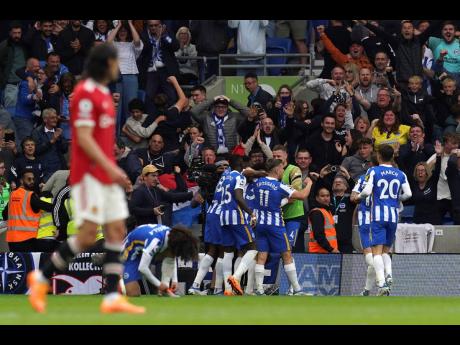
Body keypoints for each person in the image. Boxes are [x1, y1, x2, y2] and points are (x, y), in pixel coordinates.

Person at [27, 43, 145, 314]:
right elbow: (83, 138)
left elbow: (103, 143)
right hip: (88, 176)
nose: (118, 67)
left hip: (105, 174)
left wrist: (114, 171)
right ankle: (41, 278)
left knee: (117, 231)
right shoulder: (83, 94)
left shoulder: (105, 94)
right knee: (88, 235)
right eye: (114, 62)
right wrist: (113, 169)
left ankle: (113, 296)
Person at [251, 158, 313, 295]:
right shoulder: (280, 186)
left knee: (262, 256)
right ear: (277, 169)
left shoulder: (258, 182)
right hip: (275, 225)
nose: (283, 171)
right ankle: (297, 289)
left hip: (260, 224)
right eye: (282, 168)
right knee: (287, 254)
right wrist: (309, 184)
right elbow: (302, 195)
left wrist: (284, 200)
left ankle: (259, 289)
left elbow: (271, 201)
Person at [358, 144, 412, 296]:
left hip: (378, 216)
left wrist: (360, 196)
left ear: (379, 156)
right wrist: (395, 199)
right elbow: (408, 194)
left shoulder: (373, 171)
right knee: (386, 252)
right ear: (392, 156)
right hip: (393, 216)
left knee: (376, 251)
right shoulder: (400, 173)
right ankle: (389, 275)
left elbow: (367, 191)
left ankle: (381, 283)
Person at [122, 223, 199, 297]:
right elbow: (143, 268)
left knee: (168, 255)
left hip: (144, 249)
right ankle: (117, 284)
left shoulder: (173, 236)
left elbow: (171, 258)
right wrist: (159, 285)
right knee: (134, 294)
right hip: (130, 253)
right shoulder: (155, 241)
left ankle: (165, 286)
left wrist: (174, 280)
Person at [188, 161, 229, 295]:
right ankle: (216, 287)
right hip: (221, 218)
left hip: (210, 218)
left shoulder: (205, 184)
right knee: (221, 252)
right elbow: (194, 203)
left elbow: (194, 202)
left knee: (212, 251)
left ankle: (197, 285)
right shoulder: (223, 182)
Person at [219, 155, 257, 295]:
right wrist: (251, 213)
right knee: (253, 248)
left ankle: (228, 290)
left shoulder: (225, 177)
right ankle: (235, 277)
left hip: (223, 217)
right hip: (236, 216)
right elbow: (239, 197)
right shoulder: (240, 177)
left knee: (228, 253)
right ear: (241, 164)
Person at [107, 20, 143, 135]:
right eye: (121, 31)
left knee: (131, 107)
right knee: (116, 109)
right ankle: (115, 138)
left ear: (128, 33)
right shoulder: (114, 44)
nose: (122, 32)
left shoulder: (132, 45)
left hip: (131, 77)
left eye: (124, 31)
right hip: (116, 78)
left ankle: (130, 137)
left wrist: (130, 23)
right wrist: (119, 25)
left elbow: (137, 40)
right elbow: (108, 42)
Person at [350, 153, 379, 296]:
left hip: (366, 219)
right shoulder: (385, 179)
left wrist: (359, 197)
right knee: (378, 254)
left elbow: (352, 197)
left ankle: (379, 282)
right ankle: (369, 289)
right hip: (381, 219)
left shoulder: (362, 180)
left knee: (369, 254)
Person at [129, 164, 194, 227]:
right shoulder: (139, 191)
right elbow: (132, 209)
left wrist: (191, 195)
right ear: (145, 177)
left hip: (156, 228)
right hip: (145, 230)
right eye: (153, 176)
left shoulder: (156, 190)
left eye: (157, 176)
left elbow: (172, 197)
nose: (156, 178)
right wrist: (152, 211)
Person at [5, 169, 53, 252]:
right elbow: (47, 207)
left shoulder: (12, 194)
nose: (32, 181)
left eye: (33, 179)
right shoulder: (30, 195)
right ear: (21, 181)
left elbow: (4, 214)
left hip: (11, 240)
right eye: (29, 179)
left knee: (18, 264)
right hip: (27, 239)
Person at [138, 20, 180, 115]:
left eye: (156, 25)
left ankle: (170, 118)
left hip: (166, 71)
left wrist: (164, 36)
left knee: (172, 96)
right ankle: (151, 118)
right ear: (148, 26)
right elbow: (142, 50)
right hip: (150, 71)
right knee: (148, 96)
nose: (153, 27)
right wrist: (155, 38)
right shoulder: (144, 35)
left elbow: (175, 46)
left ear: (160, 25)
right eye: (151, 26)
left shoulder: (167, 32)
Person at [31, 108, 68, 182]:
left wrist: (59, 139)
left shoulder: (58, 131)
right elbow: (36, 150)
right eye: (52, 118)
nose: (55, 120)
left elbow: (65, 149)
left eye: (56, 117)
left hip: (60, 169)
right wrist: (51, 141)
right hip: (45, 171)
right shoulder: (36, 132)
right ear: (45, 119)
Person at [409, 142, 442, 224]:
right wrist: (413, 152)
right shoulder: (414, 184)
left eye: (423, 170)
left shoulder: (432, 182)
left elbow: (437, 170)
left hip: (433, 220)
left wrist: (438, 155)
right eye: (418, 171)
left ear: (427, 172)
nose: (420, 173)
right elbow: (409, 166)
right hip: (418, 221)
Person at [0, 21, 28, 112]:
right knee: (10, 113)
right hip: (10, 85)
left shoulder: (25, 45)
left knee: (24, 113)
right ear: (10, 33)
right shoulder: (4, 46)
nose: (17, 35)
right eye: (14, 33)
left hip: (24, 84)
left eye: (19, 33)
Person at [307, 187, 340, 253]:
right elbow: (318, 235)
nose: (326, 198)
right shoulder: (317, 212)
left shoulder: (327, 211)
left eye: (327, 196)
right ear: (317, 198)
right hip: (319, 252)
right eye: (322, 196)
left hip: (328, 252)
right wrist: (331, 249)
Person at [446, 147, 460, 224]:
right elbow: (451, 163)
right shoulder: (451, 174)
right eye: (457, 158)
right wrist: (454, 154)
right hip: (458, 211)